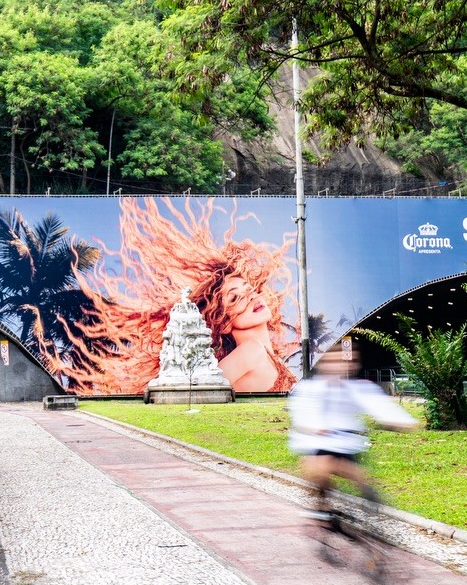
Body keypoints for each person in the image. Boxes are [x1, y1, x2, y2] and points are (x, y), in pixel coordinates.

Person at [48, 198, 298, 394]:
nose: (250, 298)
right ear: (222, 322)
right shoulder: (251, 352)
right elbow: (199, 390)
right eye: (234, 298)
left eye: (249, 289)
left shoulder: (267, 355)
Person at [287, 344, 416, 521]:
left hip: (346, 442)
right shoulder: (309, 389)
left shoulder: (358, 388)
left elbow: (379, 406)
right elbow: (301, 415)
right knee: (316, 466)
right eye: (334, 361)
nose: (340, 365)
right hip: (316, 442)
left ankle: (368, 494)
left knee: (345, 469)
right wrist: (314, 427)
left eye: (345, 361)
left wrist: (401, 421)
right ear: (324, 364)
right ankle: (322, 503)